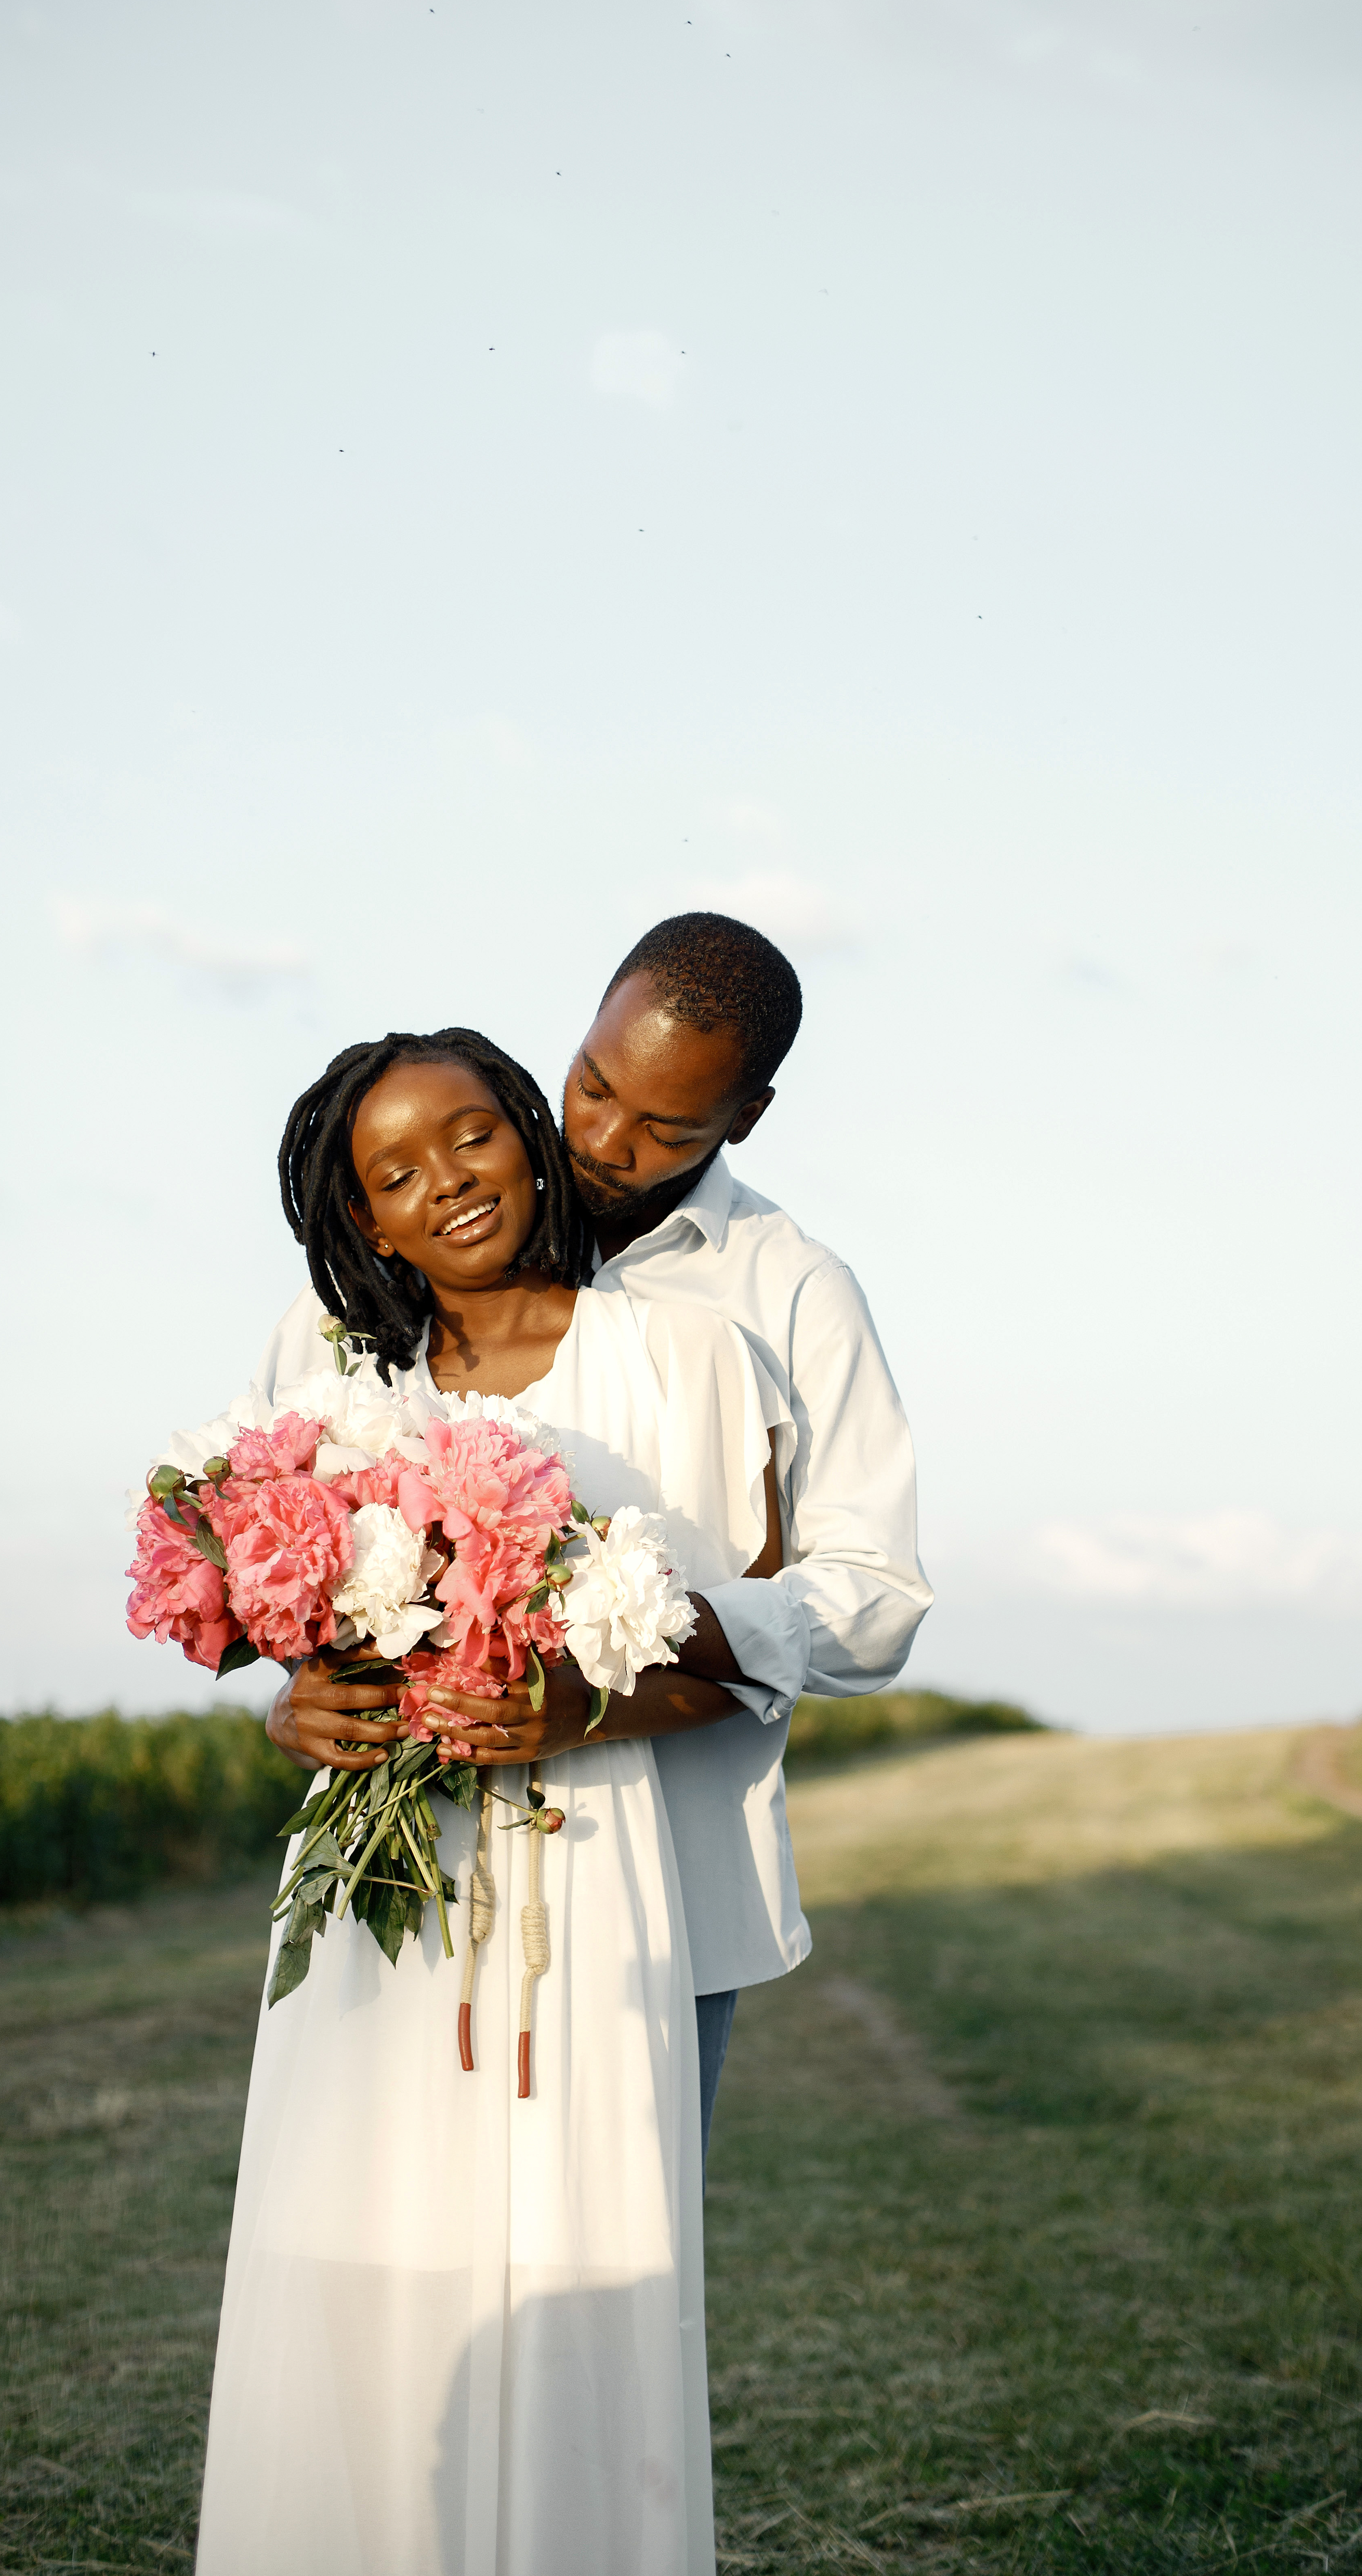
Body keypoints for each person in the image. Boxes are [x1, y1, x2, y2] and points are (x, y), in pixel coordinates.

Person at [196, 1028, 785, 2576]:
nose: (448, 1184)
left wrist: (568, 1707)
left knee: (581, 2245)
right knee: (365, 2248)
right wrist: (295, 1710)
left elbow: (752, 1643)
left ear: (526, 1128)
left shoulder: (683, 1355)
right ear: (361, 1219)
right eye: (395, 1173)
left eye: (470, 1138)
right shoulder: (324, 1367)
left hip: (595, 1860)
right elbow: (285, 1620)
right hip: (384, 1880)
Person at [265, 914, 932, 2158]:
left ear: (750, 1116)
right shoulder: (430, 1231)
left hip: (670, 1882)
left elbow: (876, 1596)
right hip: (420, 1871)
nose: (605, 1144)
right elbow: (296, 1521)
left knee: (613, 2277)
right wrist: (299, 1683)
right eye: (590, 1086)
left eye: (666, 1127)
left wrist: (636, 1645)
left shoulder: (790, 1294)